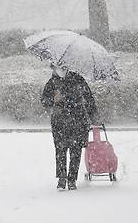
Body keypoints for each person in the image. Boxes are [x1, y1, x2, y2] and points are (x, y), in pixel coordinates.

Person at [41, 63, 98, 191]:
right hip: (59, 122)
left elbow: (89, 98)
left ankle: (72, 179)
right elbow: (44, 100)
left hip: (77, 121)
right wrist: (53, 101)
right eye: (55, 68)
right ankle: (62, 178)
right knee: (60, 150)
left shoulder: (78, 79)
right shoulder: (52, 82)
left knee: (75, 151)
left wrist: (93, 115)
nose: (58, 70)